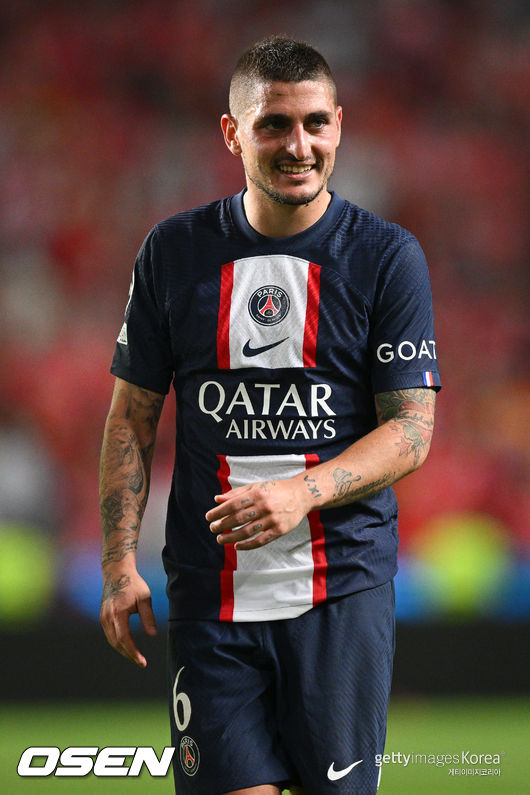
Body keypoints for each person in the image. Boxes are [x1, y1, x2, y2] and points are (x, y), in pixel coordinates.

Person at [99, 35, 440, 795]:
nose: (300, 145)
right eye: (274, 125)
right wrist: (119, 559)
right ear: (232, 133)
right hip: (210, 600)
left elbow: (413, 429)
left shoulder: (386, 257)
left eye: (316, 123)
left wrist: (302, 490)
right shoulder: (174, 253)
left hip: (340, 595)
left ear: (340, 125)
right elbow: (132, 415)